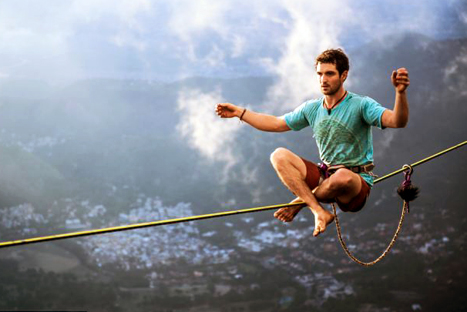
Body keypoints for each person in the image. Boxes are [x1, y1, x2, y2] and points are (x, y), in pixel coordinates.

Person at [216, 48, 409, 237]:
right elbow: (275, 123)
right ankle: (319, 211)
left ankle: (300, 202)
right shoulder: (312, 108)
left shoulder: (361, 105)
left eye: (330, 74)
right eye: (320, 74)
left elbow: (397, 121)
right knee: (279, 155)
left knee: (343, 176)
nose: (323, 80)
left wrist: (400, 93)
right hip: (325, 177)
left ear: (344, 75)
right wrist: (240, 113)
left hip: (354, 185)